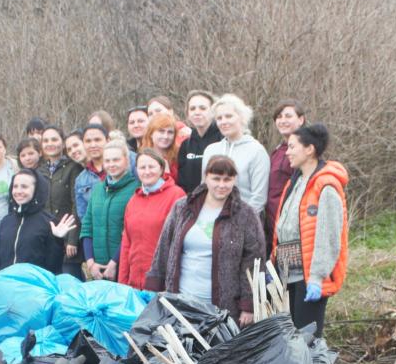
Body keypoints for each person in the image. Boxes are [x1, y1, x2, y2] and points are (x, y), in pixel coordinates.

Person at [145, 156, 265, 327]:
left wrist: (248, 305)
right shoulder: (183, 207)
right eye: (216, 178)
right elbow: (164, 247)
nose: (222, 185)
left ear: (235, 180)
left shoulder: (245, 214)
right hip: (181, 300)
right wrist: (154, 287)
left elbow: (253, 261)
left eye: (227, 179)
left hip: (221, 306)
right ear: (206, 177)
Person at [272, 123, 348, 337]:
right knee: (291, 343)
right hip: (289, 275)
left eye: (292, 147)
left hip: (309, 279)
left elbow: (329, 236)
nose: (287, 152)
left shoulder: (326, 185)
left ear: (309, 149)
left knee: (309, 346)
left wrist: (317, 276)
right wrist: (275, 267)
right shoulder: (294, 182)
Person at [118, 149, 186, 289]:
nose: (147, 171)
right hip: (135, 282)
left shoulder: (176, 196)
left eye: (152, 166)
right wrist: (122, 283)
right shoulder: (133, 201)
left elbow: (181, 243)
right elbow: (126, 244)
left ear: (161, 168)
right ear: (136, 170)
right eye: (142, 167)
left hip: (162, 282)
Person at [0, 169, 77, 272]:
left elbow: (54, 267)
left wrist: (57, 240)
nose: (18, 191)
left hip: (35, 285)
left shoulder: (49, 222)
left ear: (36, 190)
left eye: (24, 187)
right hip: (8, 283)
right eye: (15, 186)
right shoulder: (6, 221)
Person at [201, 93, 271, 212]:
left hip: (244, 221)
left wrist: (240, 222)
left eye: (229, 116)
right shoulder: (210, 150)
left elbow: (259, 198)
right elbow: (204, 188)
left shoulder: (256, 151)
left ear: (242, 117)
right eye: (219, 118)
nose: (223, 122)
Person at [80, 140, 138, 281]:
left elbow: (132, 233)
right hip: (97, 270)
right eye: (107, 160)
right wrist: (90, 263)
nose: (111, 164)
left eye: (116, 159)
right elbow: (87, 227)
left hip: (123, 267)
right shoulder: (98, 189)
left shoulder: (136, 189)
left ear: (126, 160)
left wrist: (114, 263)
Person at [39, 125, 84, 279]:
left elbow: (76, 205)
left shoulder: (73, 167)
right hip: (48, 237)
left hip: (68, 239)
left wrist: (72, 239)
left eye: (54, 139)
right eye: (46, 140)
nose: (50, 143)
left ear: (62, 142)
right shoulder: (40, 170)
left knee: (70, 279)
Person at [264, 100, 306, 244]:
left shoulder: (306, 149)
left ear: (301, 120)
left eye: (288, 116)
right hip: (271, 223)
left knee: (290, 266)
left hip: (291, 227)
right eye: (279, 117)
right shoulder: (278, 150)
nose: (283, 120)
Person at [177, 90, 222, 193]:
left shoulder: (223, 140)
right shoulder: (186, 145)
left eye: (202, 108)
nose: (197, 112)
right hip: (192, 204)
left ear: (213, 112)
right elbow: (182, 183)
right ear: (187, 114)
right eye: (192, 109)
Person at [73, 123, 108, 221]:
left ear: (107, 140)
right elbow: (83, 216)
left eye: (97, 140)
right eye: (88, 141)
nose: (93, 145)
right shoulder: (81, 180)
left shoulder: (122, 168)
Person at [140, 113, 180, 180]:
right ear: (151, 133)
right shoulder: (143, 157)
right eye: (161, 131)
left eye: (170, 132)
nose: (165, 136)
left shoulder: (179, 155)